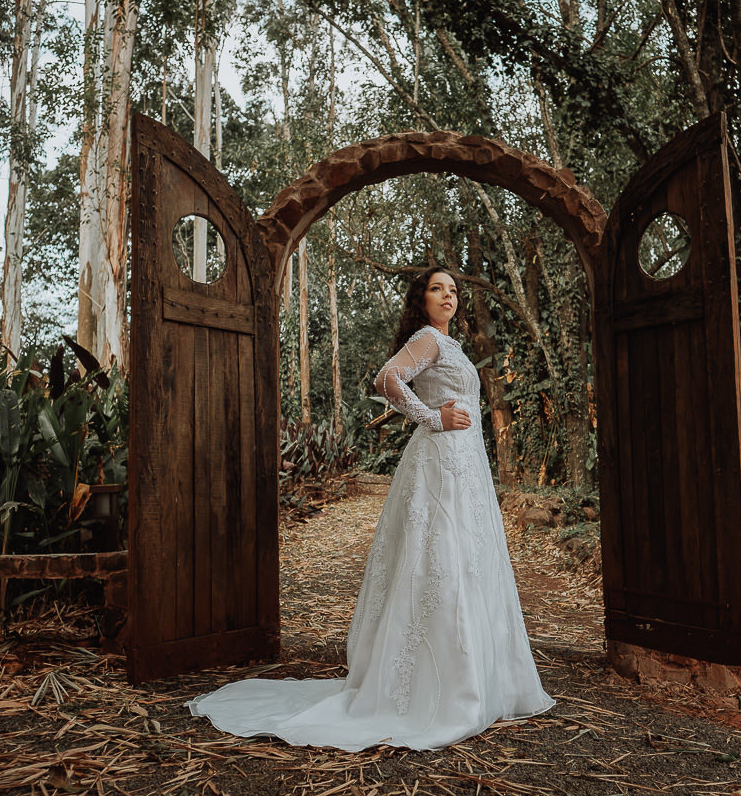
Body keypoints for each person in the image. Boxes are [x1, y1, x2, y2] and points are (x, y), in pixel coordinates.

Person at [186, 266, 555, 751]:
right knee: (437, 559)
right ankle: (439, 687)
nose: (448, 297)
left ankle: (481, 680)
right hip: (440, 461)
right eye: (437, 289)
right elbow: (388, 377)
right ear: (420, 300)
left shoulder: (453, 344)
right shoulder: (428, 340)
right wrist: (431, 417)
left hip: (466, 465)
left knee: (467, 560)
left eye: (454, 290)